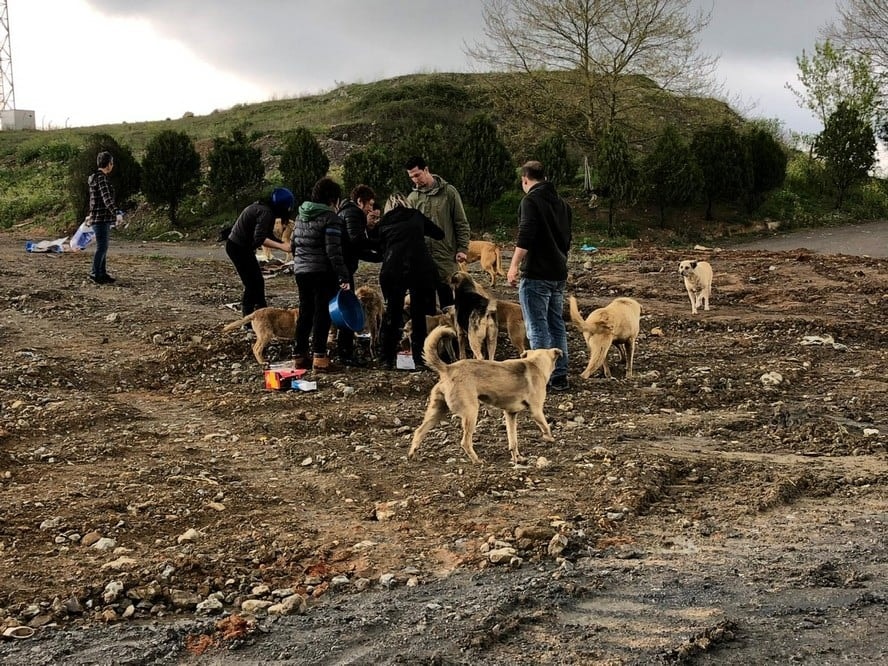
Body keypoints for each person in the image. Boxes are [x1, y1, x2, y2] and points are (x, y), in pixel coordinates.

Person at [507, 160, 573, 392]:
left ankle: (539, 377)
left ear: (525, 179)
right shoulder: (563, 204)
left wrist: (514, 265)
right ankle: (560, 374)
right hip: (558, 272)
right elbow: (567, 239)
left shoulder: (530, 201)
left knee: (536, 326)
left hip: (536, 272)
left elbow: (525, 234)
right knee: (556, 323)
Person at [376, 194, 444, 370]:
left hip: (393, 268)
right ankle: (420, 359)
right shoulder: (415, 215)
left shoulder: (383, 222)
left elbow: (378, 247)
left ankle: (386, 358)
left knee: (392, 314)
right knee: (419, 315)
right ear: (406, 203)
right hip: (419, 267)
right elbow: (439, 233)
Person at [292, 177, 351, 373]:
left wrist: (301, 262)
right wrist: (343, 275)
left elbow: (293, 244)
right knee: (322, 313)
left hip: (301, 271)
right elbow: (333, 251)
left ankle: (299, 355)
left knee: (305, 312)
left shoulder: (300, 216)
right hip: (322, 272)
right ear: (333, 199)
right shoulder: (331, 218)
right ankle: (320, 357)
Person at [405, 156, 470, 310]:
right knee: (426, 304)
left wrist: (462, 248)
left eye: (417, 175)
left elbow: (461, 222)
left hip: (445, 256)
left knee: (448, 301)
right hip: (423, 257)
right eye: (412, 177)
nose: (415, 180)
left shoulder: (449, 193)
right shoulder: (412, 198)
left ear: (426, 170)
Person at [226, 187, 294, 319]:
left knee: (258, 281)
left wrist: (281, 243)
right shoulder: (265, 213)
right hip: (237, 248)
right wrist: (282, 246)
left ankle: (263, 313)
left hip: (243, 247)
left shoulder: (265, 209)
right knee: (251, 284)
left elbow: (266, 235)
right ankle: (248, 319)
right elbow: (260, 239)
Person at [334, 184, 381, 366]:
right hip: (344, 270)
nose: (370, 209)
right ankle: (345, 353)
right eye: (370, 204)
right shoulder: (354, 213)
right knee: (347, 310)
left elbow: (355, 247)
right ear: (360, 201)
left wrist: (376, 257)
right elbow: (356, 241)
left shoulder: (344, 212)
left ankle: (342, 350)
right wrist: (379, 246)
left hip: (342, 267)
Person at [87, 151, 123, 284]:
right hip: (101, 218)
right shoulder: (102, 179)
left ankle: (101, 272)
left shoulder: (95, 178)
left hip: (98, 217)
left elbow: (93, 200)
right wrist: (116, 212)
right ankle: (95, 273)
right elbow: (106, 198)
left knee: (103, 246)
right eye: (112, 163)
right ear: (108, 164)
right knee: (102, 247)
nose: (112, 166)